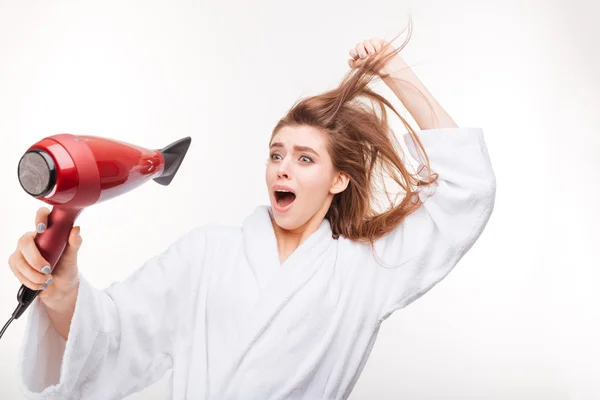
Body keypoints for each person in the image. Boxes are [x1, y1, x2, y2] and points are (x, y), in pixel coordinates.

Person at [9, 21, 496, 400]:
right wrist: (62, 286)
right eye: (276, 154)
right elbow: (109, 337)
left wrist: (395, 73)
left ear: (339, 180)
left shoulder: (363, 271)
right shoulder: (206, 254)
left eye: (305, 159)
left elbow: (465, 191)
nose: (283, 169)